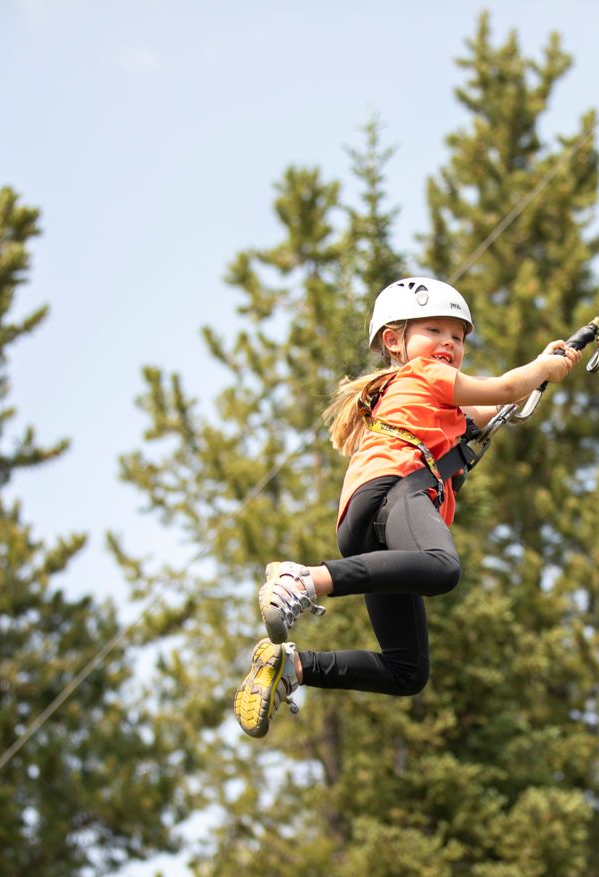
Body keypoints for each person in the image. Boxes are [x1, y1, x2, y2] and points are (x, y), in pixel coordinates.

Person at [233, 276, 579, 737]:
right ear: (394, 341)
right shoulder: (424, 375)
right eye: (435, 331)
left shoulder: (421, 399)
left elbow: (497, 408)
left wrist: (547, 365)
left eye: (457, 337)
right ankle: (305, 579)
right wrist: (541, 369)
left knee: (407, 671)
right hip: (395, 490)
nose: (449, 344)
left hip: (370, 520)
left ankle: (293, 667)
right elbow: (504, 389)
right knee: (441, 567)